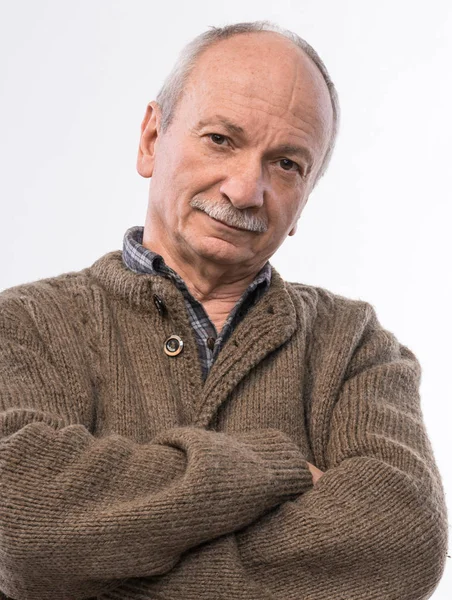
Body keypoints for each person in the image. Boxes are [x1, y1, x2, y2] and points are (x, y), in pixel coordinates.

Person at [0, 20, 447, 600]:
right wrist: (273, 467)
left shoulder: (355, 344)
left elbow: (404, 542)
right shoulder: (25, 324)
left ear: (306, 196)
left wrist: (100, 571)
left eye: (287, 164)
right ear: (152, 140)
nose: (244, 189)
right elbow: (18, 523)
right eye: (221, 140)